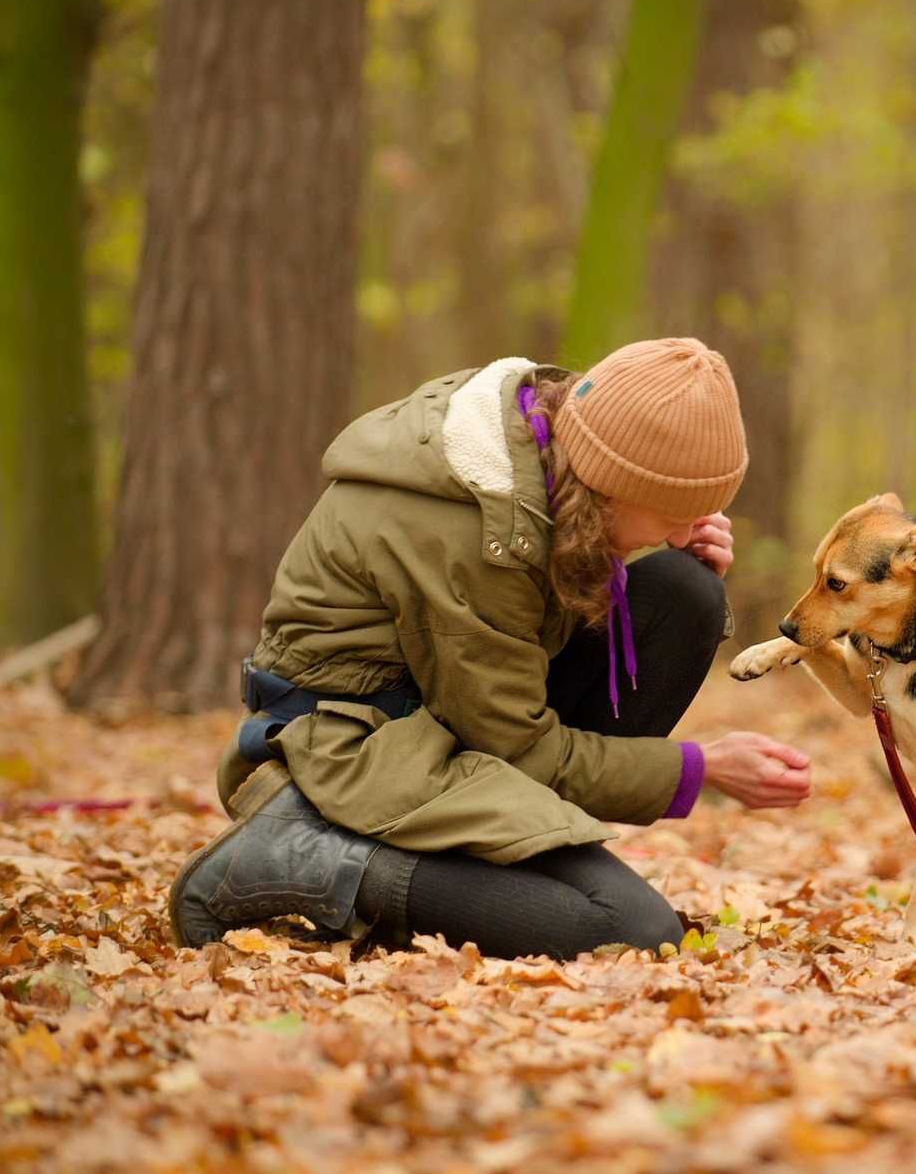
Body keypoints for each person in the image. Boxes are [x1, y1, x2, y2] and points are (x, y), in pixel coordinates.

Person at [168, 338, 813, 958]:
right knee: (631, 927)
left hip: (443, 719)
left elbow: (519, 648)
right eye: (674, 510)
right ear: (611, 485)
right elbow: (518, 745)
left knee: (685, 592)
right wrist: (700, 770)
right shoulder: (474, 529)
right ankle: (308, 856)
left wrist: (669, 544)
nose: (686, 527)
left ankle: (503, 865)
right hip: (346, 745)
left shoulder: (550, 454)